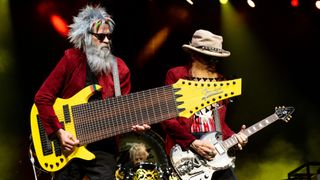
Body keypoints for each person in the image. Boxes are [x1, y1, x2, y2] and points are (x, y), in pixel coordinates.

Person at [34, 4, 150, 180]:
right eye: (100, 36)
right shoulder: (71, 59)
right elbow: (42, 98)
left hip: (103, 147)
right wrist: (59, 132)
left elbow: (124, 112)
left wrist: (135, 126)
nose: (106, 41)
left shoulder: (120, 69)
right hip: (68, 146)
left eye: (109, 36)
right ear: (87, 37)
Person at [161, 29, 248, 180]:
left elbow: (219, 124)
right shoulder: (176, 75)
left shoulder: (221, 81)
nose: (213, 63)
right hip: (185, 153)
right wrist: (192, 142)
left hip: (214, 153)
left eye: (217, 59)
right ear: (193, 55)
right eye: (209, 58)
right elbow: (167, 118)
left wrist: (235, 137)